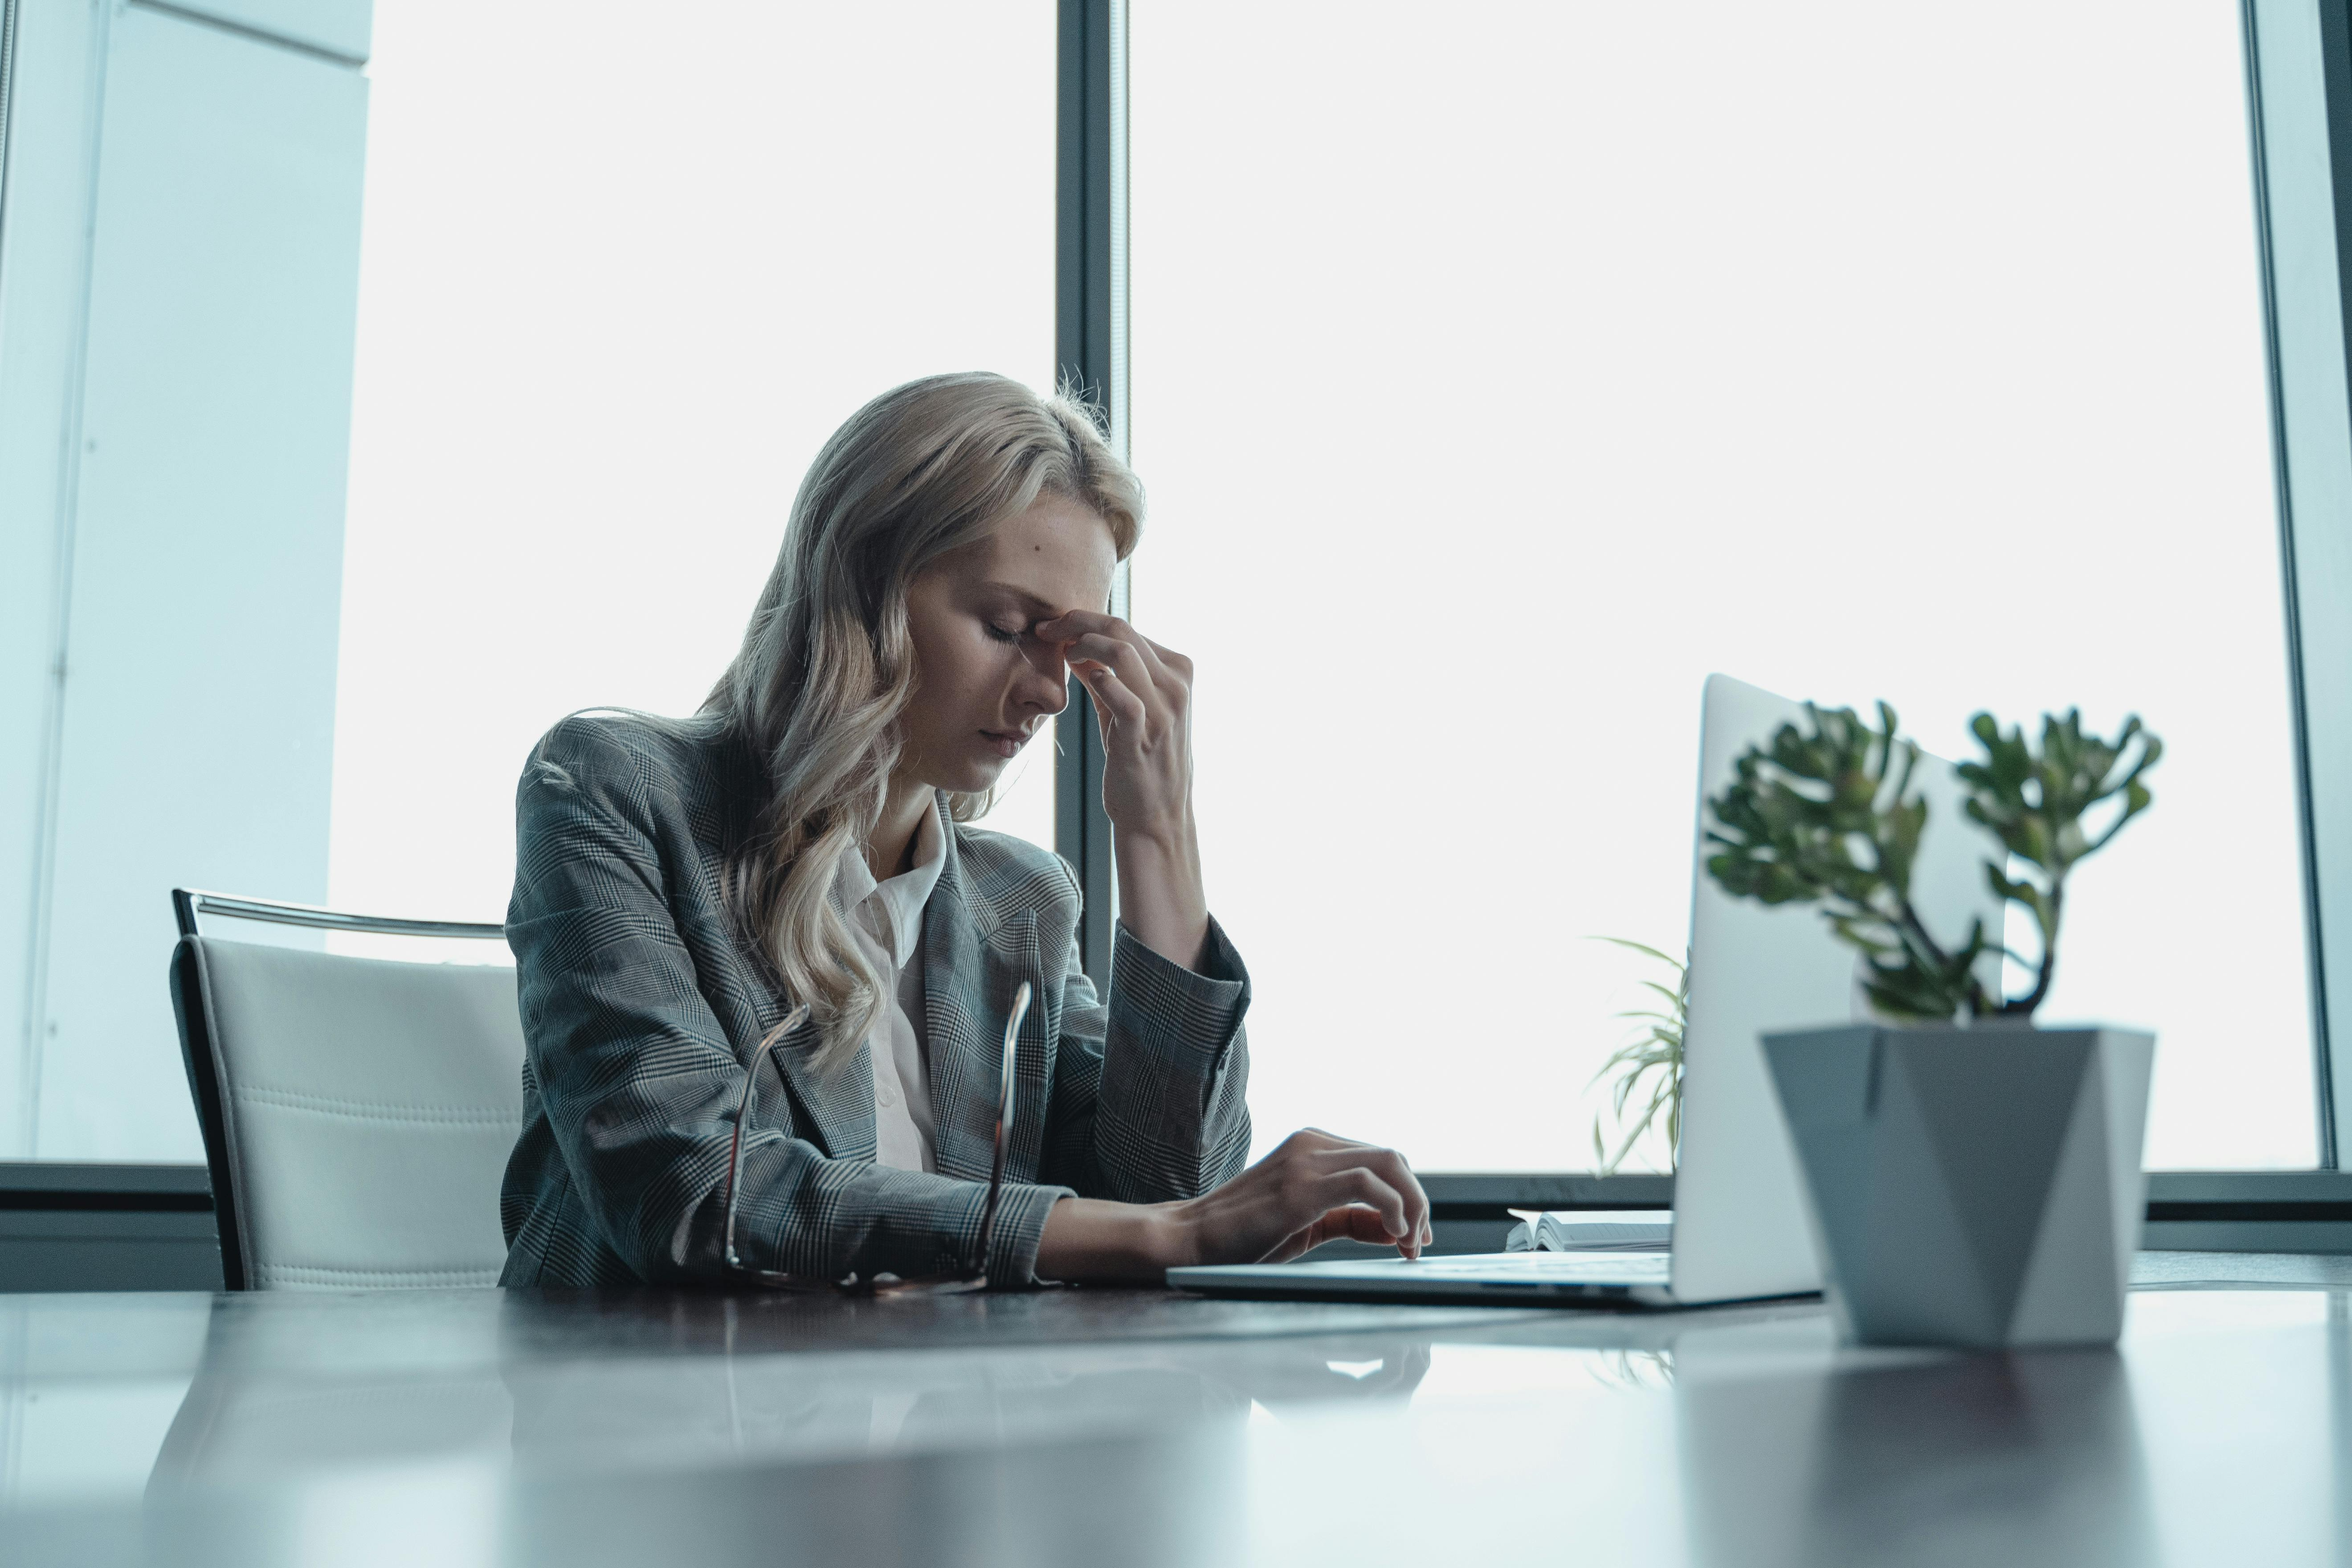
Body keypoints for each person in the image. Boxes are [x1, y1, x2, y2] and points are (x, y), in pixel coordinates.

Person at [497, 372, 1429, 1288]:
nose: (1051, 692)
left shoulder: (1020, 902)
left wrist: (1160, 839)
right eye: (1007, 626)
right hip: (661, 1421)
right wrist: (1167, 1232)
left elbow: (1165, 1196)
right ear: (860, 589)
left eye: (1070, 648)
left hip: (956, 1418)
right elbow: (693, 1193)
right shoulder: (612, 791)